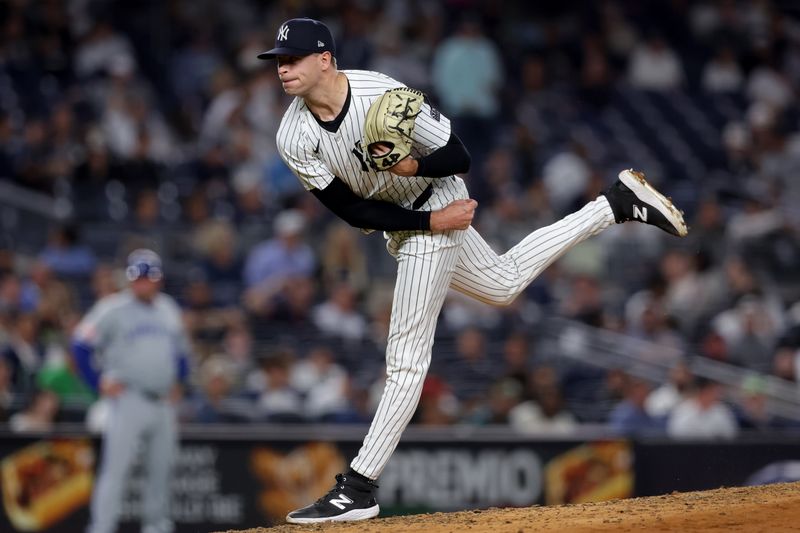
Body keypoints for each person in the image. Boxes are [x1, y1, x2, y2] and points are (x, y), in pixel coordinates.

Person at [258, 17, 688, 524]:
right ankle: (614, 204)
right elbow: (353, 212)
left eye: (293, 58)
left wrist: (415, 170)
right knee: (502, 284)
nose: (283, 69)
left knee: (405, 359)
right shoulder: (293, 135)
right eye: (279, 61)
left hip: (436, 198)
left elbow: (458, 156)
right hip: (412, 221)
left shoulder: (383, 94)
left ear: (324, 59)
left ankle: (359, 486)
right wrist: (429, 221)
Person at [72, 249, 192, 533]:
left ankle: (157, 527)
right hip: (128, 398)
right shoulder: (113, 308)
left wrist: (181, 382)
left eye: (148, 278)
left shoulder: (168, 308)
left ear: (158, 280)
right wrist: (97, 380)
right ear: (129, 279)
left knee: (160, 471)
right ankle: (102, 528)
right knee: (116, 471)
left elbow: (182, 354)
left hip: (162, 401)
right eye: (137, 278)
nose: (142, 283)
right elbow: (80, 344)